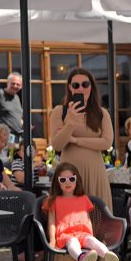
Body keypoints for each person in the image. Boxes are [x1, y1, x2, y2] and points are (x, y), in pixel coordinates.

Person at [49, 68, 114, 214]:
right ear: (70, 88)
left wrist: (76, 140)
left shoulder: (101, 113)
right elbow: (58, 144)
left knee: (97, 217)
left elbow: (106, 142)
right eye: (76, 85)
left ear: (91, 87)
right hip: (69, 174)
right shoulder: (59, 111)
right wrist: (70, 122)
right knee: (69, 218)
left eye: (85, 84)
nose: (81, 88)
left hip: (95, 172)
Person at [43, 161, 120, 261]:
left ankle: (108, 255)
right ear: (57, 182)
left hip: (83, 233)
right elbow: (51, 222)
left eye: (71, 179)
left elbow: (87, 219)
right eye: (63, 180)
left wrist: (90, 234)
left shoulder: (83, 199)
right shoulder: (53, 200)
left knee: (92, 241)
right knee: (72, 242)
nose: (67, 182)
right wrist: (52, 240)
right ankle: (81, 258)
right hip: (65, 235)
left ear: (77, 180)